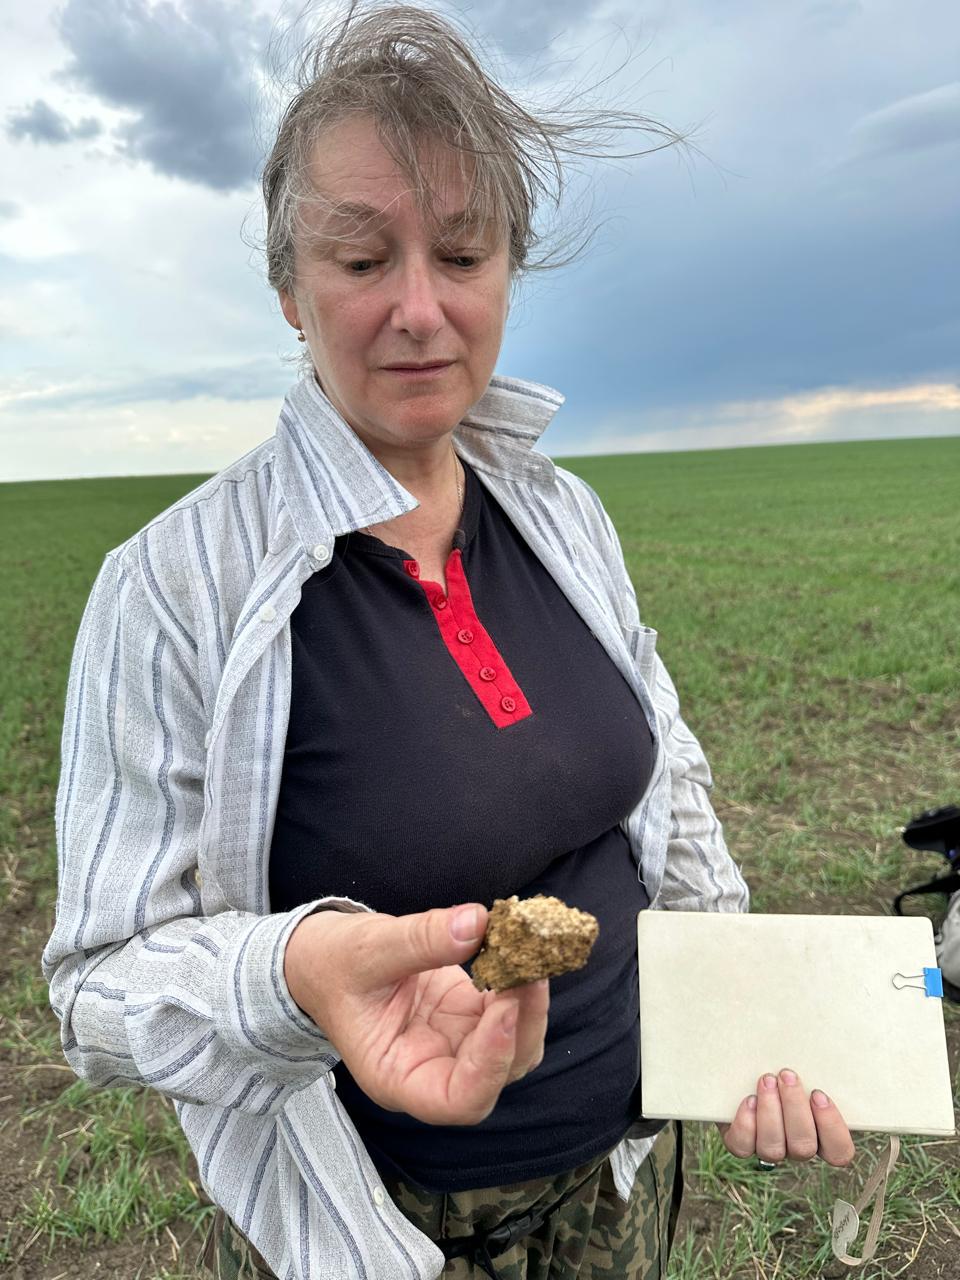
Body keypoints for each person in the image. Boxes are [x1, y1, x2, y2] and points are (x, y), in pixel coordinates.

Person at [43, 6, 855, 1278]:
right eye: (364, 259)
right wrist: (293, 973)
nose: (420, 309)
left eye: (463, 253)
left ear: (509, 270)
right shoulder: (172, 588)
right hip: (367, 1227)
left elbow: (670, 780)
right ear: (289, 287)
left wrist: (742, 1003)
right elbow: (96, 986)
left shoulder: (564, 516)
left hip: (621, 1175)